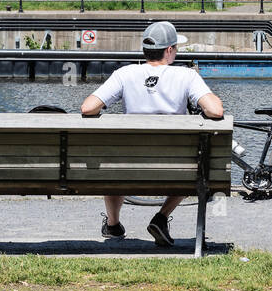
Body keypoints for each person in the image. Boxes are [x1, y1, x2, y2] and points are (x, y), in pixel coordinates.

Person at [79, 21, 224, 246]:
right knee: (198, 166)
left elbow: (88, 108)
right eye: (175, 48)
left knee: (111, 164)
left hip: (127, 166)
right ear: (168, 51)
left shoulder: (124, 74)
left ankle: (113, 224)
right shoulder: (186, 76)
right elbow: (215, 111)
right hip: (176, 168)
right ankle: (161, 217)